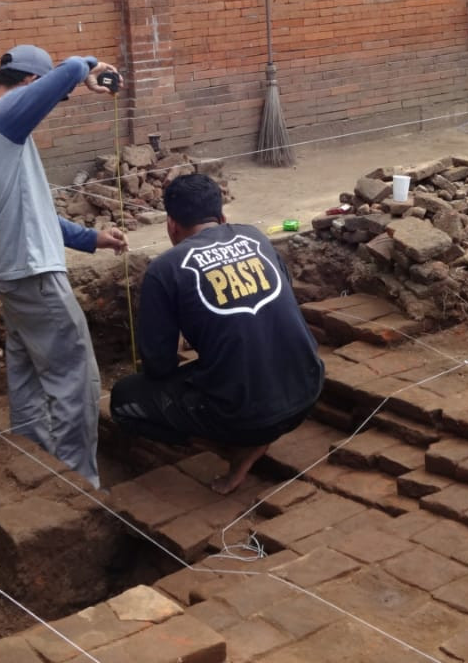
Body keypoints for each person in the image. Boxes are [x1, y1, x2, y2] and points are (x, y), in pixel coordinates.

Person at [0, 45, 127, 489]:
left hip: (13, 272)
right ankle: (79, 482)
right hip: (33, 275)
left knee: (28, 373)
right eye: (52, 98)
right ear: (31, 86)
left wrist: (90, 239)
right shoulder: (0, 120)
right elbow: (70, 70)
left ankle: (31, 462)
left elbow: (34, 214)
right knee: (75, 376)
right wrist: (87, 67)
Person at [111, 173, 325, 495]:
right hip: (308, 390)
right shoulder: (256, 237)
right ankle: (254, 435)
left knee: (124, 400)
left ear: (171, 225)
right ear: (223, 217)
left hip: (246, 415)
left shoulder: (164, 269)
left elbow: (159, 367)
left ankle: (237, 446)